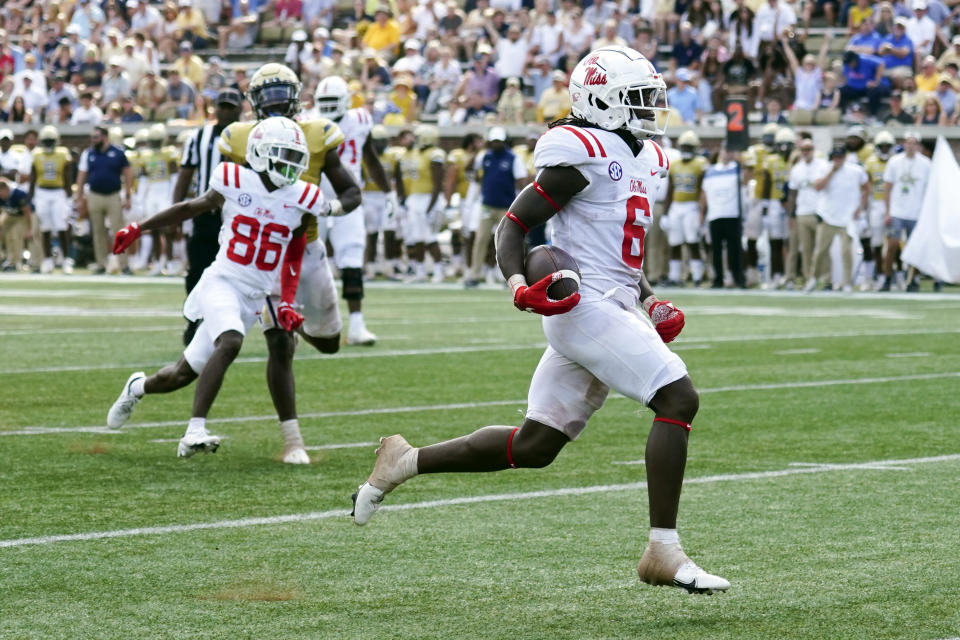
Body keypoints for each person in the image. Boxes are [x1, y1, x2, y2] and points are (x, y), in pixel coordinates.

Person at [351, 46, 730, 595]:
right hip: (581, 306)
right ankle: (663, 551)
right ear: (601, 102)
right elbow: (515, 224)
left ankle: (403, 462)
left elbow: (621, 257)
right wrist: (515, 283)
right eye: (638, 100)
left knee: (534, 447)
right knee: (678, 398)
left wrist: (649, 301)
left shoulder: (644, 157)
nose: (651, 109)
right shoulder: (584, 152)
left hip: (613, 302)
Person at [106, 117, 331, 458]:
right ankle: (194, 430)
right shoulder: (234, 180)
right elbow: (188, 207)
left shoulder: (302, 199)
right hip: (221, 280)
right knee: (231, 341)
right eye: (282, 154)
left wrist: (286, 301)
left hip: (254, 296)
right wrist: (140, 227)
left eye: (294, 156)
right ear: (259, 153)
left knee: (180, 375)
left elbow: (294, 254)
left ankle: (137, 387)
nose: (290, 164)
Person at [218, 63, 362, 462]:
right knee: (278, 345)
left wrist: (325, 208)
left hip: (309, 250)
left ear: (297, 96)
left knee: (331, 343)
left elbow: (351, 191)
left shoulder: (317, 134)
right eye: (268, 95)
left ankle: (298, 327)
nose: (276, 102)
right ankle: (293, 440)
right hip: (266, 255)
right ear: (254, 102)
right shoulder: (239, 138)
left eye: (282, 94)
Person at [313, 75, 396, 345]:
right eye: (322, 102)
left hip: (349, 199)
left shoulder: (360, 119)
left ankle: (357, 325)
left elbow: (370, 158)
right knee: (305, 260)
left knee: (352, 257)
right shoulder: (306, 120)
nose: (326, 107)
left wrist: (388, 191)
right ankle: (297, 323)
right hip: (314, 198)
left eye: (331, 101)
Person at [173, 87, 243, 345]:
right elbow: (185, 175)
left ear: (240, 109)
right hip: (206, 214)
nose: (226, 112)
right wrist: (177, 212)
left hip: (238, 216)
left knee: (239, 273)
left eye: (231, 107)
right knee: (198, 270)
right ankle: (194, 321)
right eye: (222, 106)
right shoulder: (198, 137)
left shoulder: (250, 137)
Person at [464, 126, 527, 287]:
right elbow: (469, 169)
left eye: (498, 141)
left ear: (504, 141)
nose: (496, 144)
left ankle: (511, 276)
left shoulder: (513, 158)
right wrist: (478, 152)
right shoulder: (485, 156)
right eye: (493, 141)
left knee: (507, 242)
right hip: (487, 205)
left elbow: (521, 182)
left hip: (506, 207)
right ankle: (474, 274)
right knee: (480, 240)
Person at [804, 146, 869, 293]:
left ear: (844, 157)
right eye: (835, 157)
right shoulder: (824, 168)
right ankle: (814, 278)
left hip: (848, 217)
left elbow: (866, 188)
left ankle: (847, 283)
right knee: (820, 250)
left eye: (840, 157)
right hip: (828, 216)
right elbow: (818, 186)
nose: (838, 160)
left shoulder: (855, 171)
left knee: (846, 251)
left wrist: (861, 207)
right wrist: (832, 172)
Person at [75, 125, 133, 274]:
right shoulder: (89, 153)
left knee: (119, 231)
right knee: (98, 232)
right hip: (94, 195)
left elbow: (127, 174)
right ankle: (101, 264)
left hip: (113, 195)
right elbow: (82, 175)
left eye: (96, 137)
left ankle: (124, 265)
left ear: (105, 137)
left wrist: (128, 195)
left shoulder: (118, 153)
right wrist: (79, 196)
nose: (93, 140)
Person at [880, 131, 931, 291]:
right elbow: (887, 188)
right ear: (904, 144)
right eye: (908, 142)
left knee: (915, 248)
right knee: (892, 244)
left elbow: (929, 190)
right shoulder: (894, 162)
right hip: (897, 210)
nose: (911, 146)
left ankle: (913, 279)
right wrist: (887, 211)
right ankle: (887, 278)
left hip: (916, 212)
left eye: (914, 142)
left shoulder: (926, 164)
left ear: (918, 146)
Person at [396, 124, 447, 283]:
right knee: (417, 237)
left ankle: (439, 270)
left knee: (430, 237)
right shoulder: (413, 153)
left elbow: (437, 184)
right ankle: (420, 271)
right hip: (415, 198)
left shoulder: (434, 154)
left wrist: (431, 206)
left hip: (429, 198)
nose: (415, 140)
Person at [664, 130, 707, 286]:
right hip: (676, 206)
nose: (686, 150)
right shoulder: (674, 164)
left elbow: (704, 189)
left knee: (692, 242)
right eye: (684, 147)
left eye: (689, 147)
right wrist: (665, 213)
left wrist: (703, 212)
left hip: (692, 206)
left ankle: (697, 277)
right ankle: (675, 277)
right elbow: (670, 190)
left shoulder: (700, 164)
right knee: (674, 243)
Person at [29, 126, 74, 274]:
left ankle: (66, 260)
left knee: (61, 226)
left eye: (50, 141)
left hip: (58, 192)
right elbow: (33, 176)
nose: (48, 144)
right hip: (42, 191)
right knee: (45, 228)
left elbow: (67, 176)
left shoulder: (62, 154)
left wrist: (69, 196)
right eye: (46, 141)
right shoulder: (36, 154)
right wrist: (31, 196)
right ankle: (47, 260)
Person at [786, 138, 828, 288]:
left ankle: (825, 278)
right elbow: (792, 193)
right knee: (806, 249)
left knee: (822, 248)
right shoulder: (797, 169)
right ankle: (808, 278)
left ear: (813, 150)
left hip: (820, 211)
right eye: (803, 149)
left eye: (809, 149)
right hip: (802, 212)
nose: (806, 152)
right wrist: (791, 214)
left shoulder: (823, 166)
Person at [701, 147, 746, 288]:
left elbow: (746, 178)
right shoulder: (711, 170)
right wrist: (702, 213)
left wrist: (738, 158)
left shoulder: (736, 168)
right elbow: (705, 193)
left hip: (732, 213)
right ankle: (718, 279)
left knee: (735, 249)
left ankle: (738, 278)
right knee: (716, 250)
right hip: (716, 214)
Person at [760, 127, 796, 288]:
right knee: (775, 242)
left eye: (787, 144)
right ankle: (776, 275)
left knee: (791, 242)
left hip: (791, 203)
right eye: (781, 144)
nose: (784, 148)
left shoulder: (796, 159)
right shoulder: (771, 160)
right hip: (775, 202)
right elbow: (766, 183)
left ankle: (790, 276)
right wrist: (765, 207)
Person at [861, 131, 896, 289]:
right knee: (875, 241)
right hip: (876, 202)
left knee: (895, 241)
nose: (884, 149)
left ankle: (898, 275)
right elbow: (865, 185)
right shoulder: (870, 162)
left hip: (895, 204)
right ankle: (878, 275)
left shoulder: (896, 161)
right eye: (881, 146)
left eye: (886, 146)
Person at [0, 177, 32, 272]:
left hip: (22, 216)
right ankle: (4, 258)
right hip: (9, 214)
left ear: (7, 189)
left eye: (1, 191)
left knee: (14, 236)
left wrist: (29, 229)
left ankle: (15, 263)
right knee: (7, 236)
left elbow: (27, 212)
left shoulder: (19, 194)